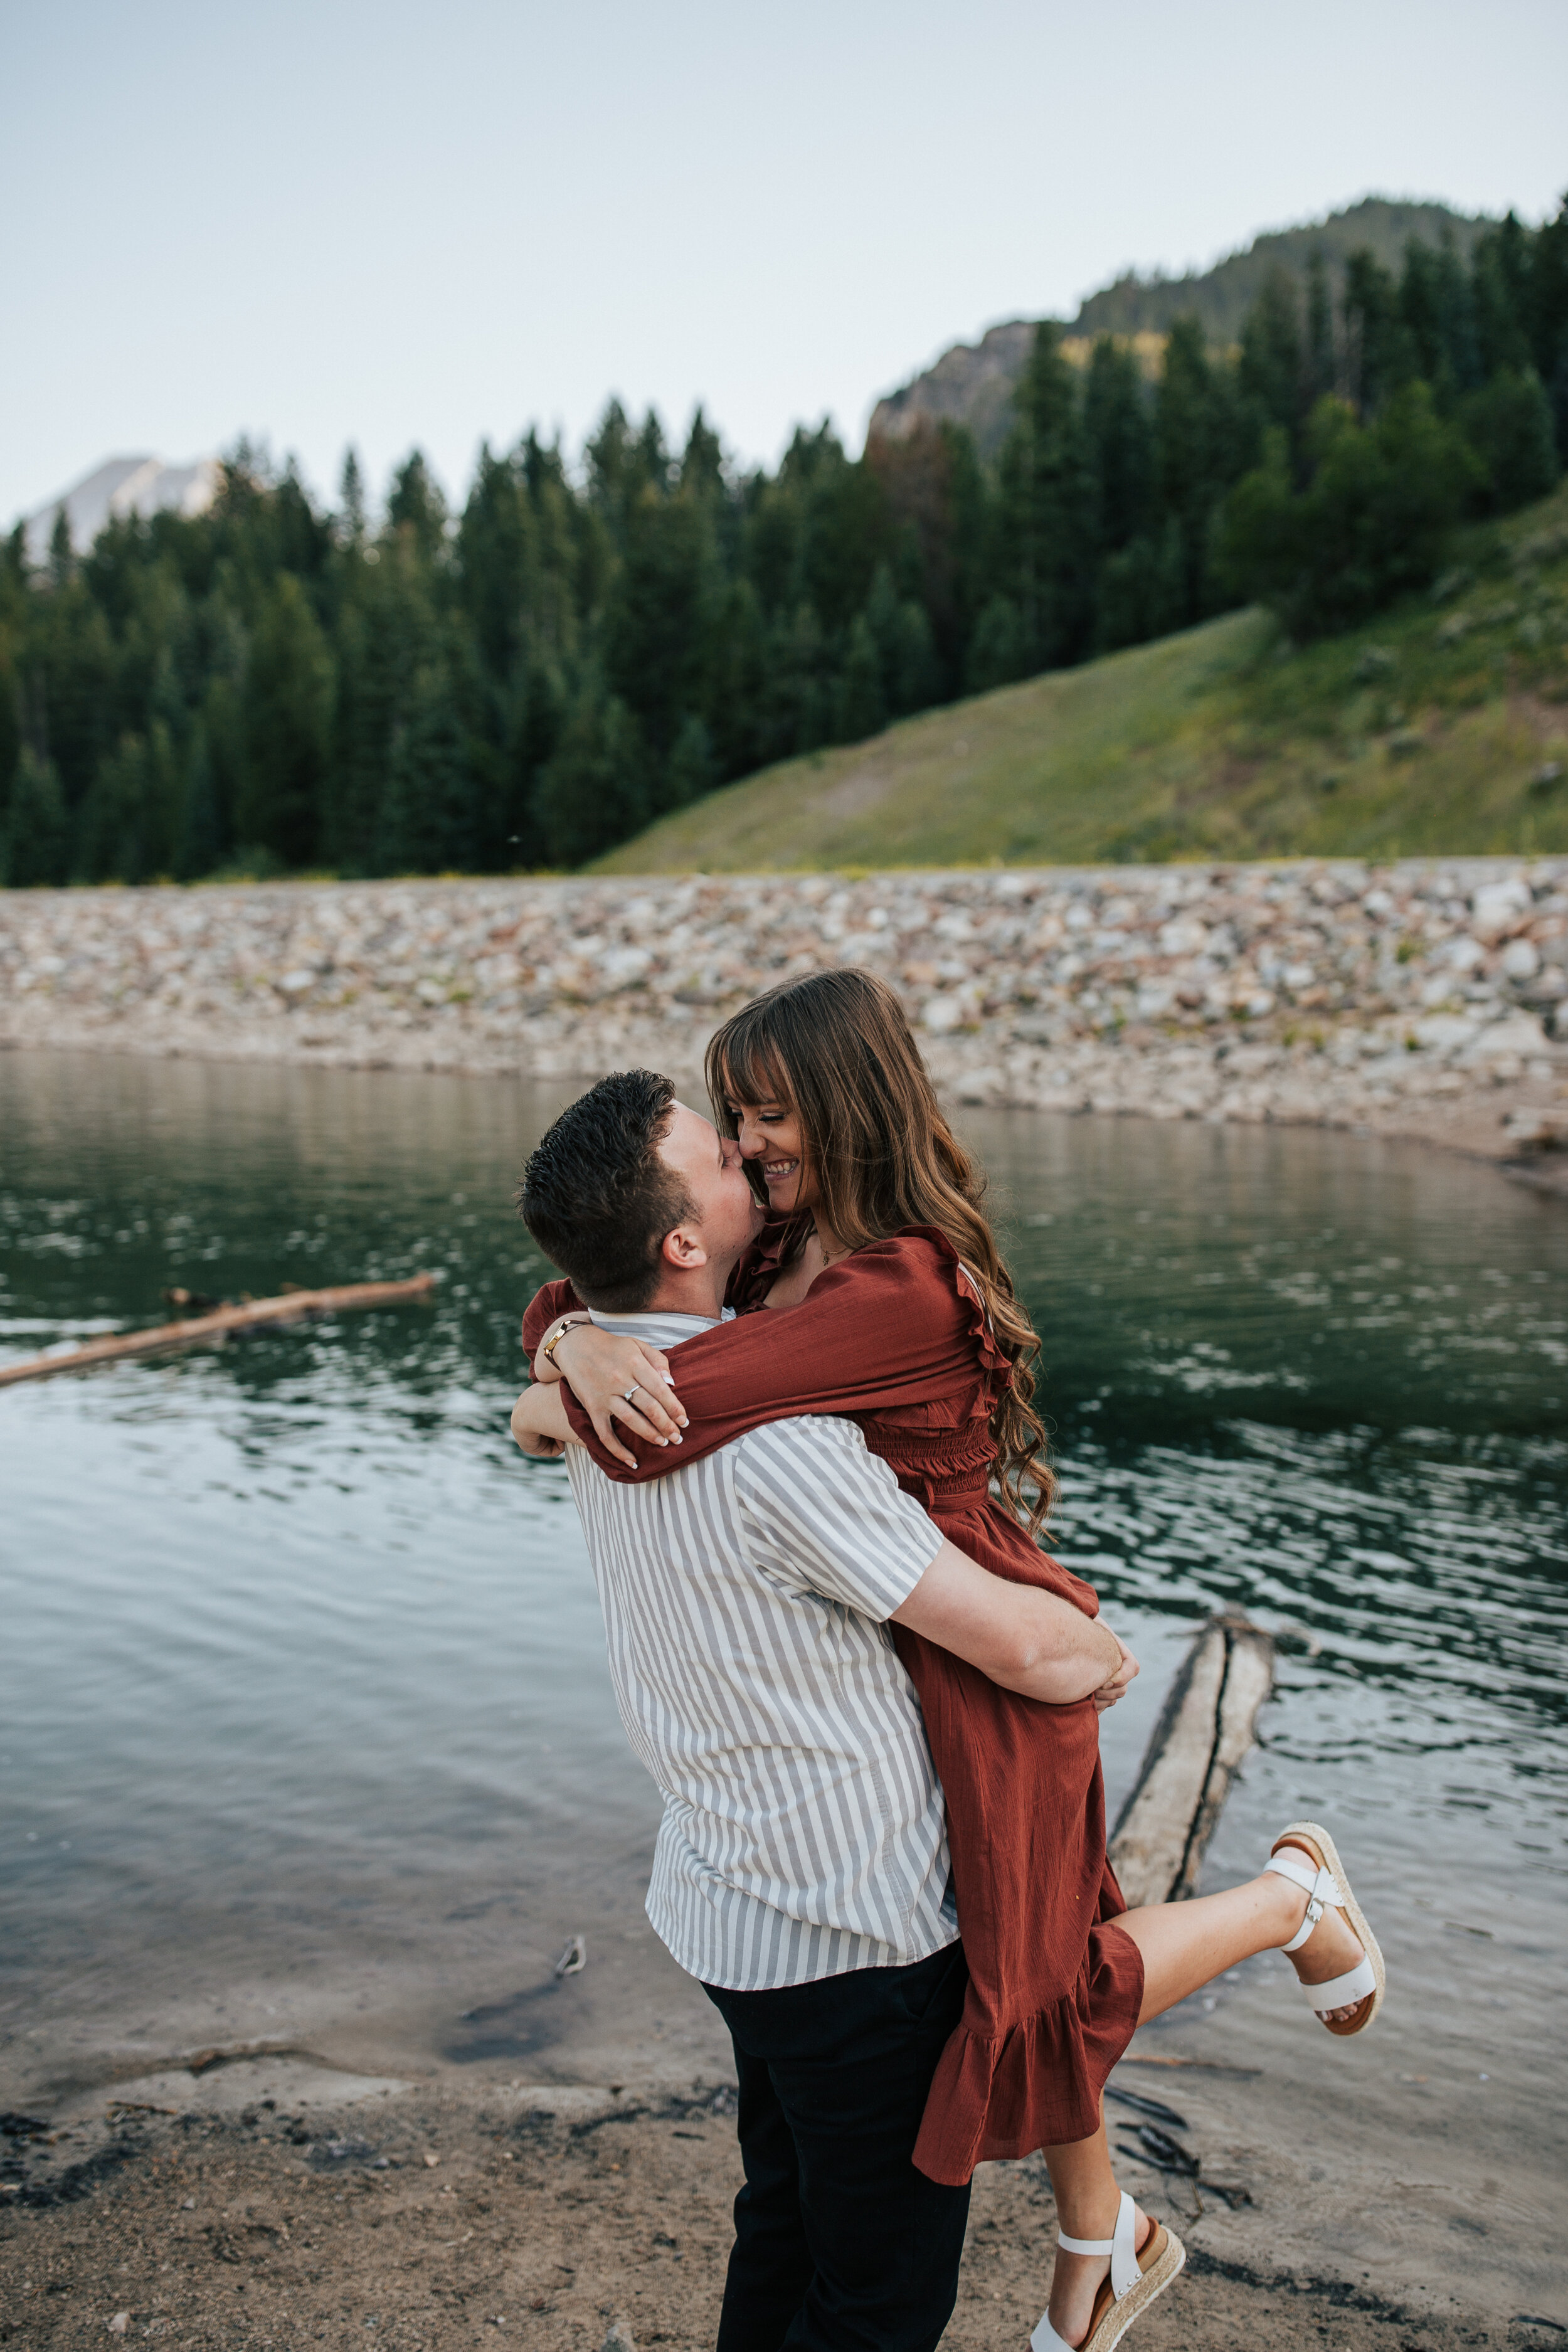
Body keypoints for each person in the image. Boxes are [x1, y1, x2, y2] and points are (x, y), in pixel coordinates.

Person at [516, 971, 1386, 2352]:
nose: (745, 1144)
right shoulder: (754, 1255)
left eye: (763, 1112)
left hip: (977, 1641)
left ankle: (1287, 1901)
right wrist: (569, 1333)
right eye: (729, 1119)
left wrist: (569, 1368)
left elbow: (691, 1394)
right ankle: (1100, 2237)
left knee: (1033, 1987)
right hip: (895, 1631)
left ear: (842, 1102)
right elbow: (613, 1288)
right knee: (1013, 1988)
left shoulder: (901, 1283)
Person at [512, 1067, 1136, 2352]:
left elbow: (554, 1360)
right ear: (683, 1242)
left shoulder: (597, 1406)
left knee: (784, 2223)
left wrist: (571, 1337)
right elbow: (1012, 1645)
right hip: (859, 1936)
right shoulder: (776, 1446)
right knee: (877, 2301)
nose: (748, 1158)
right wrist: (1093, 1650)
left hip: (727, 1903)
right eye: (722, 1159)